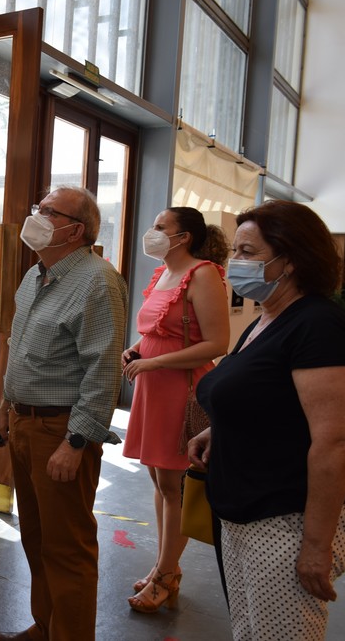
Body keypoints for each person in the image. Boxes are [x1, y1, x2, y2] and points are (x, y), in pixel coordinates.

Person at [189, 200, 345, 641]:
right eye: (234, 251)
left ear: (291, 260)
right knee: (250, 633)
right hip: (241, 512)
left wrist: (316, 547)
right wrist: (218, 428)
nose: (234, 263)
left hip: (287, 522)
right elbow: (269, 396)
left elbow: (335, 442)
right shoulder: (266, 318)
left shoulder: (318, 324)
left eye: (247, 252)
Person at [0, 186, 129, 641]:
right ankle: (46, 627)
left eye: (50, 211)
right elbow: (21, 347)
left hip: (61, 431)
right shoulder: (36, 275)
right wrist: (5, 408)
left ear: (76, 229)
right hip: (25, 424)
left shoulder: (97, 280)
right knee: (35, 538)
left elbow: (103, 368)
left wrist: (77, 442)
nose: (38, 215)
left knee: (67, 548)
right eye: (38, 208)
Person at [121, 207, 230, 612]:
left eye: (160, 227)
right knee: (159, 482)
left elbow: (217, 343)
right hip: (154, 385)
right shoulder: (162, 274)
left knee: (175, 486)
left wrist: (152, 362)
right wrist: (136, 349)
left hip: (181, 387)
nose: (152, 232)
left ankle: (166, 574)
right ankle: (165, 567)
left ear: (183, 237)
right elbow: (155, 331)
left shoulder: (203, 274)